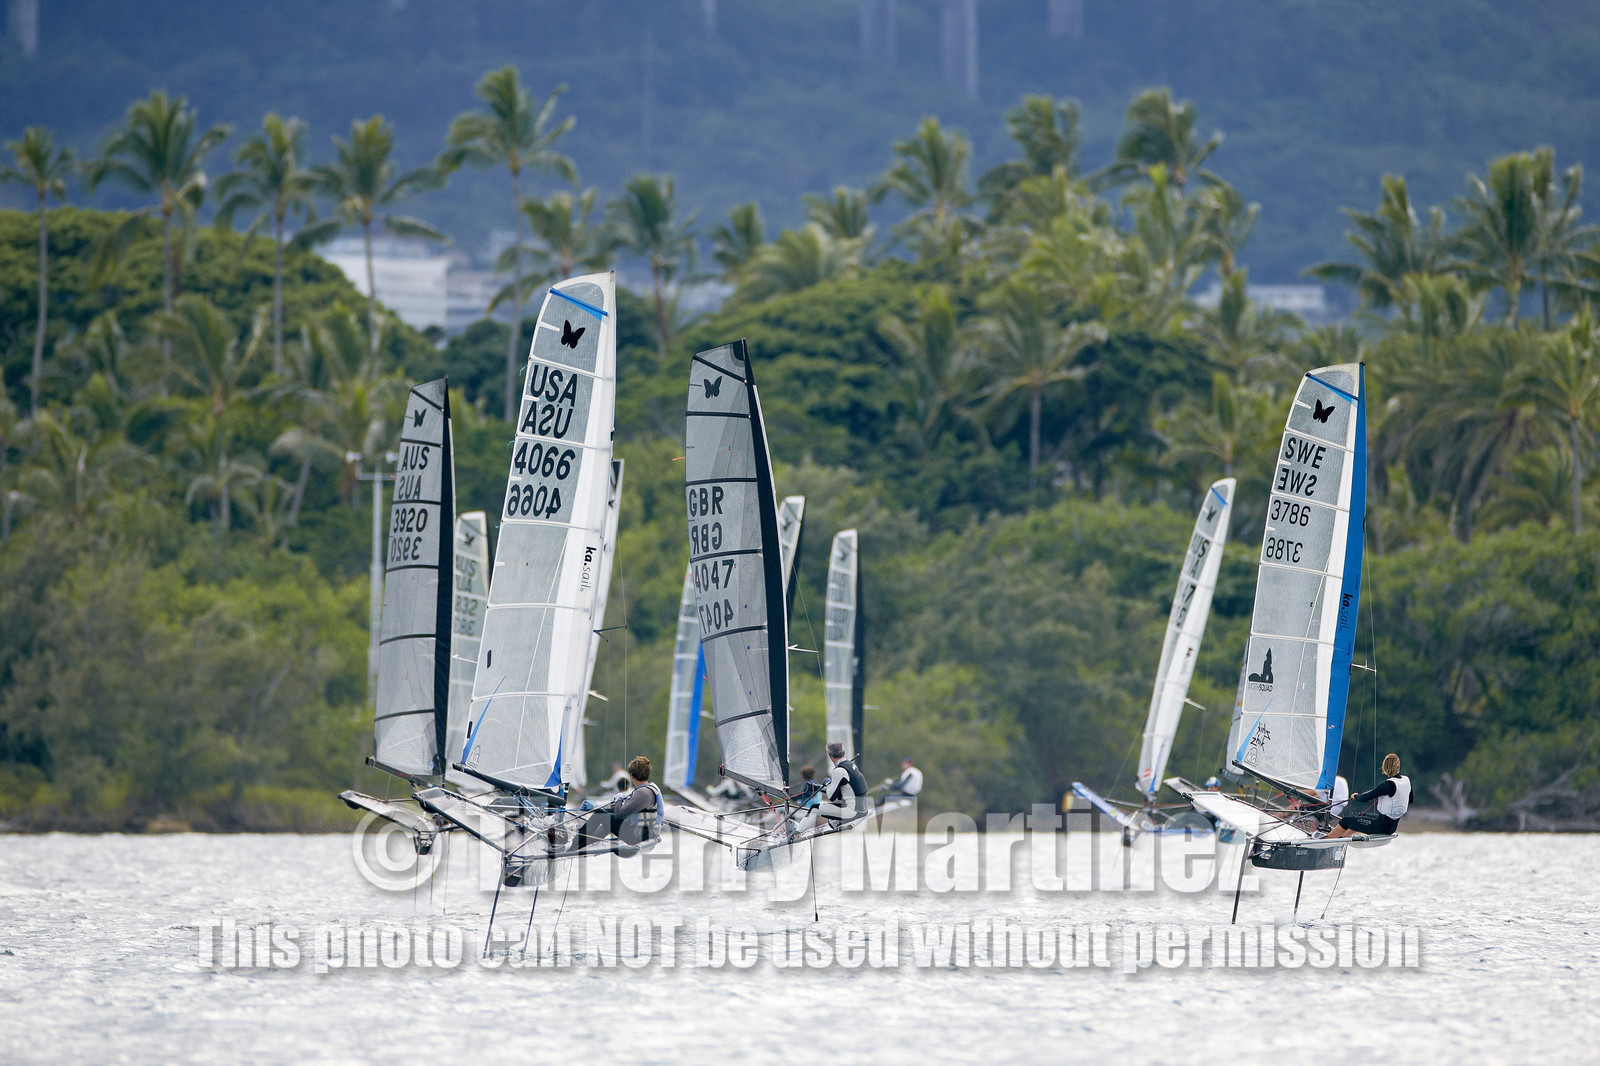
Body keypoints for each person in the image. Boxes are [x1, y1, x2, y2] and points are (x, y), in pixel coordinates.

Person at [566, 756, 662, 854]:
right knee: (606, 816)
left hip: (637, 836)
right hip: (644, 833)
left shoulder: (642, 793)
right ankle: (578, 844)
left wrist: (618, 800)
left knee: (601, 815)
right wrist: (600, 808)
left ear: (632, 776)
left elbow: (619, 814)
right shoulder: (650, 789)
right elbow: (620, 812)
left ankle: (573, 844)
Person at [1322, 754, 1411, 839]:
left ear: (1384, 767)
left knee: (1346, 821)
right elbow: (1410, 799)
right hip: (1392, 827)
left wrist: (1356, 796)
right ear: (1398, 766)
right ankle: (1342, 837)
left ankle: (1326, 840)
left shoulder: (1387, 785)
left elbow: (1364, 798)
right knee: (1361, 815)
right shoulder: (1406, 780)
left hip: (1380, 827)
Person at [796, 742, 867, 832]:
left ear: (829, 755)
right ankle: (836, 823)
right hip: (862, 810)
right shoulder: (851, 765)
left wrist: (827, 782)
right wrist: (817, 787)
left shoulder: (838, 771)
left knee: (814, 809)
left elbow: (831, 797)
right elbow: (843, 791)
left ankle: (794, 834)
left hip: (852, 812)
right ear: (844, 753)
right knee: (831, 819)